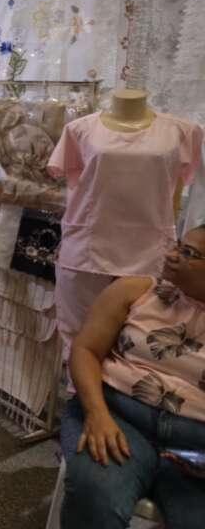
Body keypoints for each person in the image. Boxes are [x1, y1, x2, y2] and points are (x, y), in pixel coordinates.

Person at [60, 224, 205, 528]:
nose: (171, 254)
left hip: (195, 442)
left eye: (188, 253)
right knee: (97, 493)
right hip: (120, 417)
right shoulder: (136, 291)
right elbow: (85, 350)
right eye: (178, 245)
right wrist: (97, 413)